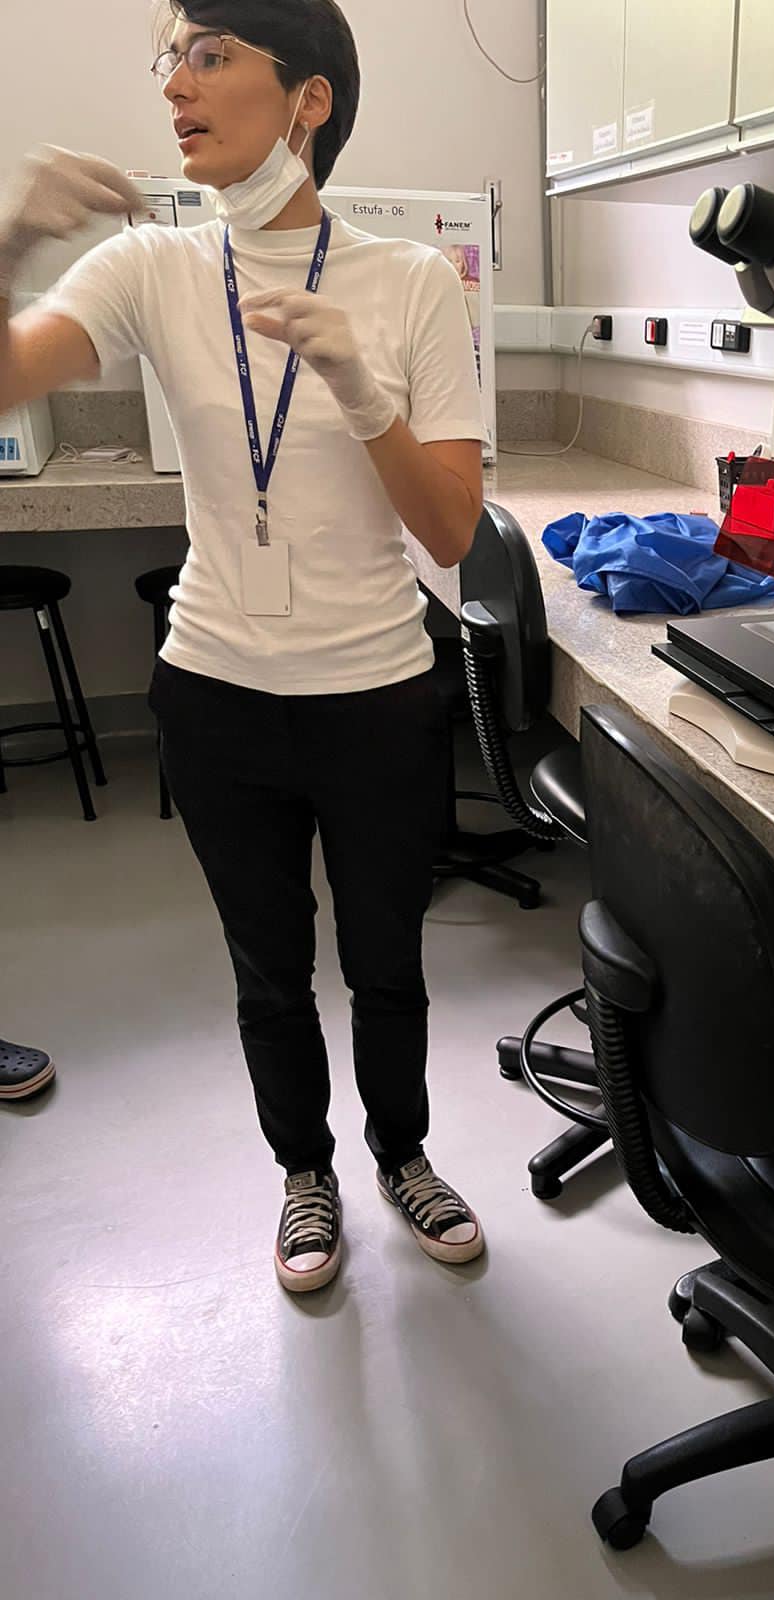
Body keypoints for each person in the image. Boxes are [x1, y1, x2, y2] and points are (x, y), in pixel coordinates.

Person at [0, 1, 490, 1292]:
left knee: (388, 958)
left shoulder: (414, 284)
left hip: (378, 691)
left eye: (211, 54)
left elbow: (448, 527)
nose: (178, 86)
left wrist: (367, 396)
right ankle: (305, 1174)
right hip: (215, 690)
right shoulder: (154, 268)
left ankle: (404, 1152)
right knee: (268, 964)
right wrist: (8, 241)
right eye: (171, 58)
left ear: (311, 98)